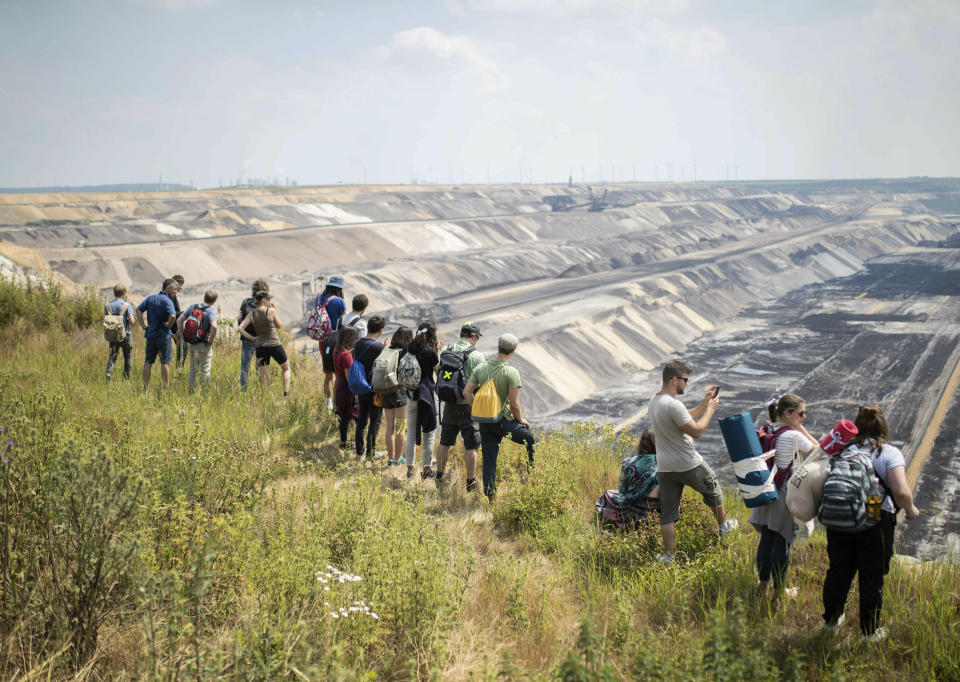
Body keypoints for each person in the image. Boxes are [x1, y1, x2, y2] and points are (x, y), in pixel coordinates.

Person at [822, 405, 920, 643]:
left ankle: (831, 622)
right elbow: (900, 491)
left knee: (838, 571)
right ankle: (869, 633)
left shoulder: (842, 449)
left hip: (841, 517)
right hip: (874, 515)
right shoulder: (888, 452)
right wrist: (910, 508)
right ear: (882, 427)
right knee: (871, 576)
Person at [648, 360, 736, 565]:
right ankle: (724, 529)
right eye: (685, 380)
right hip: (688, 463)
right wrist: (711, 410)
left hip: (665, 466)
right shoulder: (673, 404)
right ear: (674, 380)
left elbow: (684, 418)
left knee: (668, 512)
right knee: (713, 488)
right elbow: (696, 431)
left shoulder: (655, 402)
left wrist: (705, 403)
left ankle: (669, 556)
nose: (686, 384)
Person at [749, 394, 818, 602]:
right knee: (782, 540)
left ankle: (763, 584)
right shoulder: (792, 435)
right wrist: (800, 429)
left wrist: (795, 424)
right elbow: (819, 450)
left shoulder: (768, 428)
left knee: (767, 538)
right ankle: (780, 591)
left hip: (765, 490)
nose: (804, 417)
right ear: (787, 413)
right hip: (784, 493)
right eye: (801, 413)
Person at [463, 333, 536, 502]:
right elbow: (514, 404)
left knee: (489, 461)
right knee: (532, 441)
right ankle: (532, 479)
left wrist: (479, 409)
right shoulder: (511, 372)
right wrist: (521, 420)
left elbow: (466, 392)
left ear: (499, 347)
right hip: (505, 422)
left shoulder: (481, 368)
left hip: (486, 422)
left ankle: (492, 501)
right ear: (513, 350)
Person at [435, 322, 485, 490]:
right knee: (472, 445)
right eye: (477, 337)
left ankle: (439, 477)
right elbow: (483, 381)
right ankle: (470, 482)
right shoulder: (476, 355)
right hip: (468, 404)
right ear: (473, 336)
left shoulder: (447, 349)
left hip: (449, 402)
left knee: (445, 442)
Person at [403, 320, 441, 481]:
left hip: (410, 394)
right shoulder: (430, 352)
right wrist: (437, 352)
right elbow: (438, 373)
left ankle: (410, 470)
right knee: (429, 432)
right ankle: (426, 470)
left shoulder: (409, 348)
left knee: (411, 432)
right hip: (426, 395)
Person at [238, 291, 291, 397]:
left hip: (260, 346)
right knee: (286, 368)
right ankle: (286, 395)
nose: (270, 301)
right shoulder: (270, 311)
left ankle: (265, 398)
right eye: (268, 299)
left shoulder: (251, 314)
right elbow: (279, 326)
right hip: (275, 344)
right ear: (263, 300)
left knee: (264, 375)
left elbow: (240, 328)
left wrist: (252, 338)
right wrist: (273, 310)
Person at [352, 314, 385, 459]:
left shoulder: (357, 344)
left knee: (361, 419)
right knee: (375, 420)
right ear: (381, 330)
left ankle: (360, 451)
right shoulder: (379, 347)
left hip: (360, 385)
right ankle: (371, 453)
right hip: (375, 388)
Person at [136, 278, 178, 389]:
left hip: (150, 334)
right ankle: (165, 387)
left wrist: (143, 325)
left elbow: (138, 310)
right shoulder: (167, 301)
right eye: (174, 289)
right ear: (168, 288)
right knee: (165, 362)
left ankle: (145, 387)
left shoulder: (150, 298)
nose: (176, 292)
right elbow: (173, 316)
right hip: (163, 335)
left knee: (148, 362)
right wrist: (169, 325)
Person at [382, 326, 413, 466]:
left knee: (390, 427)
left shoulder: (387, 351)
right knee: (401, 428)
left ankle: (390, 458)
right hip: (400, 393)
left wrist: (385, 346)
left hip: (386, 391)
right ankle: (398, 458)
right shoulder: (407, 353)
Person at [178, 289, 219, 392]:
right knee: (205, 370)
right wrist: (210, 339)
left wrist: (183, 336)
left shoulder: (193, 307)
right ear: (214, 301)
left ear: (204, 297)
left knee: (193, 369)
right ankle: (205, 394)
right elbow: (214, 326)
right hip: (204, 345)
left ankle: (191, 392)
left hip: (193, 343)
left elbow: (179, 320)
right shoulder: (210, 311)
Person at [317, 275, 347, 410]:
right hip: (336, 340)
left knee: (327, 373)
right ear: (340, 289)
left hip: (323, 339)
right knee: (339, 373)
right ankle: (337, 404)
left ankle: (328, 405)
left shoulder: (319, 298)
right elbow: (344, 320)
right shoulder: (340, 301)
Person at [238, 278, 268, 391]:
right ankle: (262, 392)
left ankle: (244, 392)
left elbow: (240, 321)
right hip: (262, 341)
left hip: (247, 339)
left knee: (245, 368)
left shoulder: (245, 302)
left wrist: (249, 336)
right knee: (261, 368)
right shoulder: (266, 305)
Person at [332, 326, 359, 449]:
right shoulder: (347, 355)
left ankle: (343, 441)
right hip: (346, 387)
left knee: (342, 415)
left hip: (338, 383)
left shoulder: (336, 351)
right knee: (354, 414)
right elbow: (350, 377)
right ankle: (359, 442)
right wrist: (356, 394)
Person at [105, 283, 135, 380]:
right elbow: (132, 321)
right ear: (123, 293)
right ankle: (126, 377)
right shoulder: (126, 305)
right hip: (125, 334)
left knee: (112, 356)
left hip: (112, 335)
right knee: (128, 357)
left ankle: (109, 373)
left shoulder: (108, 306)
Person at [171, 274, 187, 369]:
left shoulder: (173, 295)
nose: (181, 287)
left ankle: (179, 368)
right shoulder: (171, 296)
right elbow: (173, 313)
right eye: (180, 284)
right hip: (173, 327)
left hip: (174, 326)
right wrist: (185, 313)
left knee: (182, 348)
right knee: (182, 348)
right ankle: (179, 369)